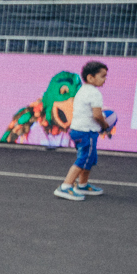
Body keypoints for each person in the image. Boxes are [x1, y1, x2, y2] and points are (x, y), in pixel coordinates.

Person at [54, 60, 114, 201]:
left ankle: (82, 185)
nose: (105, 79)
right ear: (90, 77)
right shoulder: (94, 93)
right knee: (83, 159)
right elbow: (97, 115)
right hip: (86, 132)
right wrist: (105, 125)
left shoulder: (82, 90)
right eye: (102, 76)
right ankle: (65, 187)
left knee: (89, 158)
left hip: (78, 130)